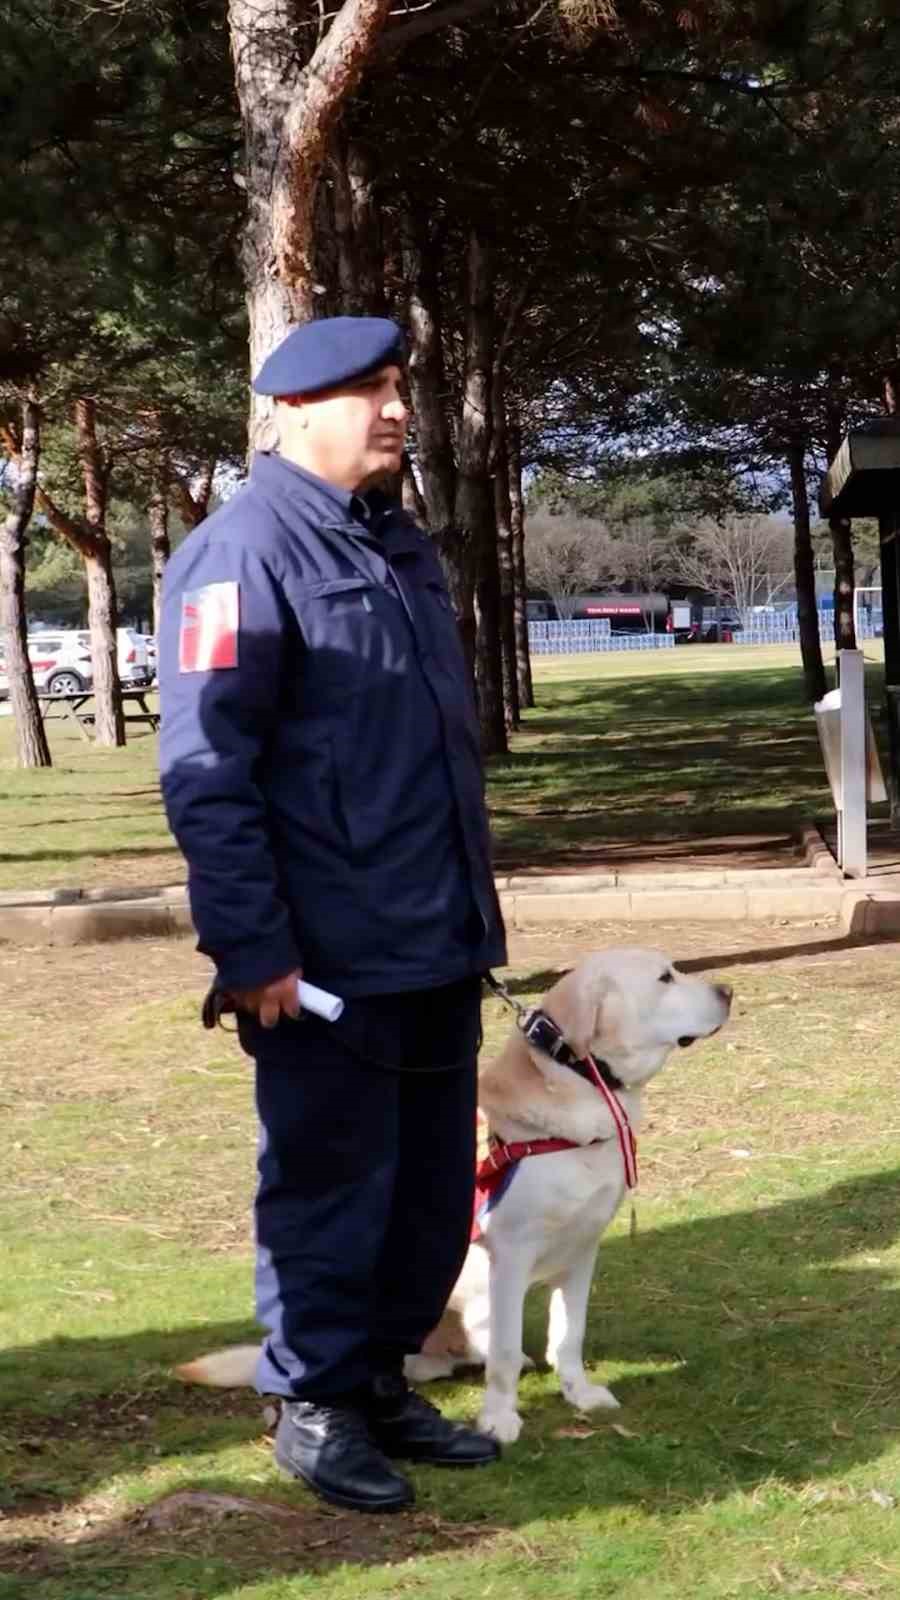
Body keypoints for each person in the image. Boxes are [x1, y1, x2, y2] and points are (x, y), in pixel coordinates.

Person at [158, 315, 508, 1514]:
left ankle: (376, 1379)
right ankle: (311, 1402)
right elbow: (207, 772)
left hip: (435, 936)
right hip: (324, 960)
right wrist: (251, 946)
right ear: (295, 411)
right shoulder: (238, 555)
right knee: (329, 1187)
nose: (397, 407)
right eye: (371, 389)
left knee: (426, 1193)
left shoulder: (398, 544)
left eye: (401, 384)